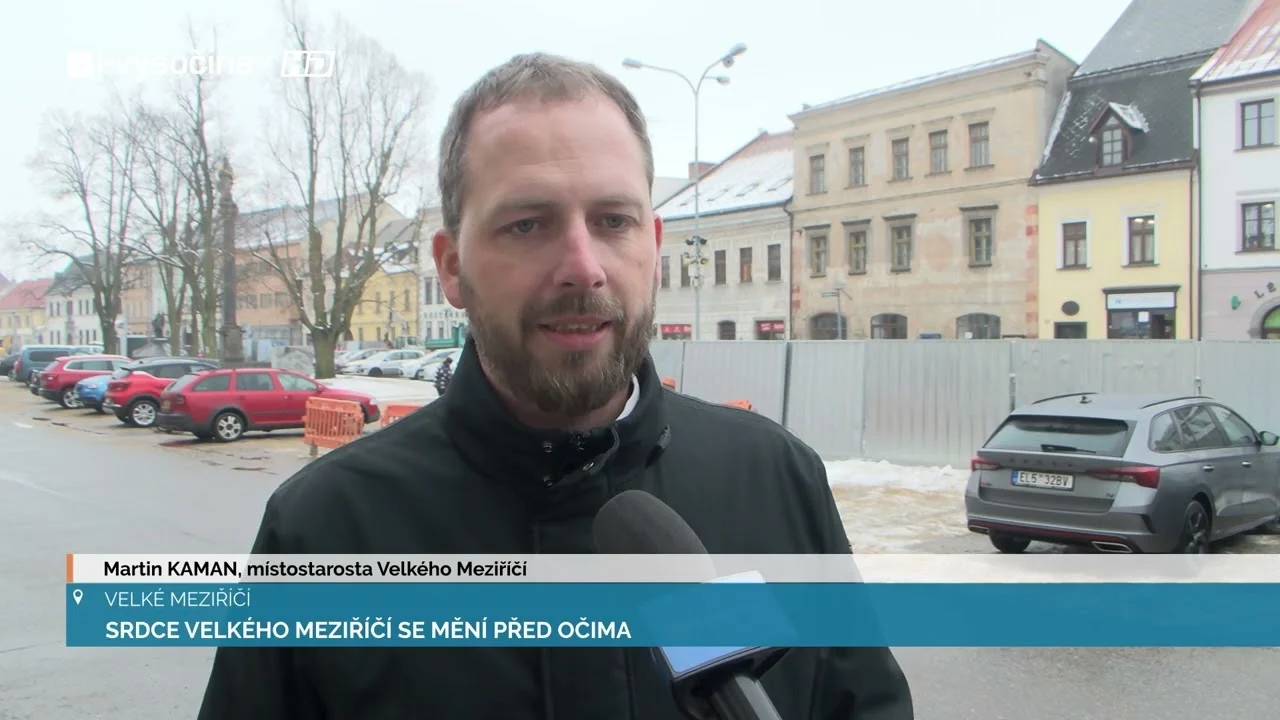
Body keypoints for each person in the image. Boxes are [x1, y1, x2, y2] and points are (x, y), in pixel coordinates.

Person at [196, 52, 914, 719]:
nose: (583, 266)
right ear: (451, 267)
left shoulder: (775, 479)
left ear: (653, 246)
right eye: (527, 224)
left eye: (613, 221)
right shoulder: (326, 532)